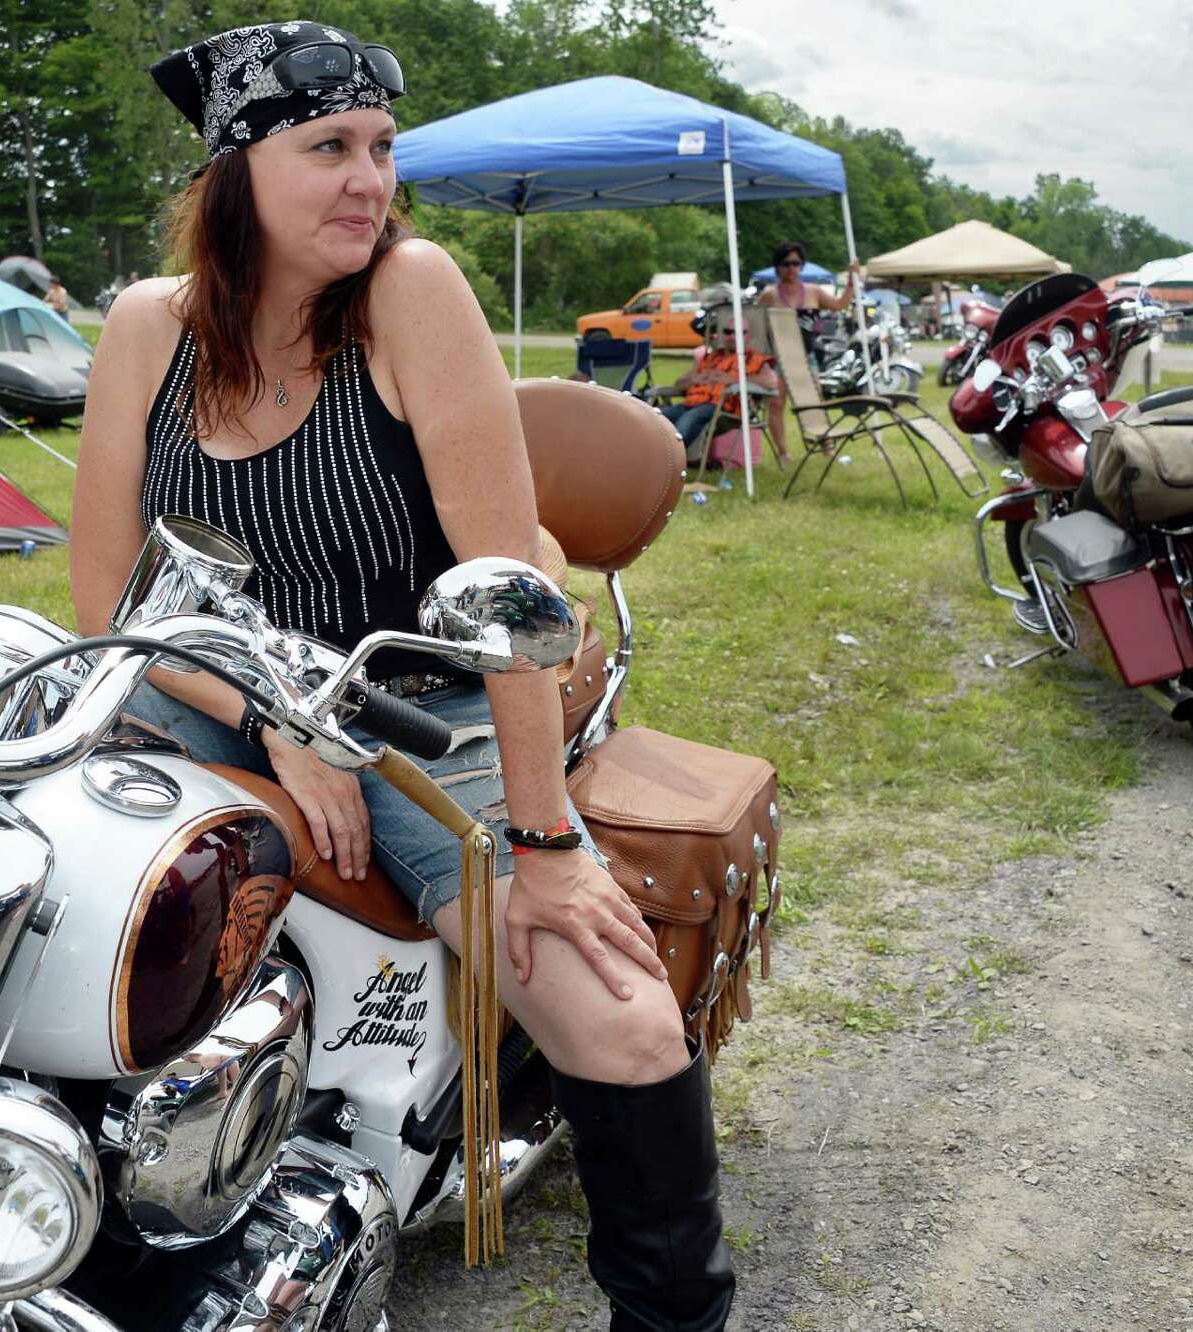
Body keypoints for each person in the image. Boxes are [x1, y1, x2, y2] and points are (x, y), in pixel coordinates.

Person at [70, 22, 733, 1330]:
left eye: (381, 149)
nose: (368, 179)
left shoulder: (408, 294)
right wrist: (266, 711)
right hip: (207, 682)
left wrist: (544, 841)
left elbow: (513, 590)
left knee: (624, 1023)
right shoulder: (148, 327)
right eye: (328, 148)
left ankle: (677, 1314)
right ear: (235, 173)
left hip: (416, 703)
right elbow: (108, 598)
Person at [656, 311, 777, 465]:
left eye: (740, 332)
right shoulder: (710, 357)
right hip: (690, 403)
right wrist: (693, 379)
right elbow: (679, 384)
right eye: (728, 332)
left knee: (687, 421)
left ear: (749, 336)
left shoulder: (755, 359)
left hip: (721, 408)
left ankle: (667, 463)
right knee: (656, 418)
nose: (733, 336)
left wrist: (734, 379)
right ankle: (649, 457)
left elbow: (771, 382)